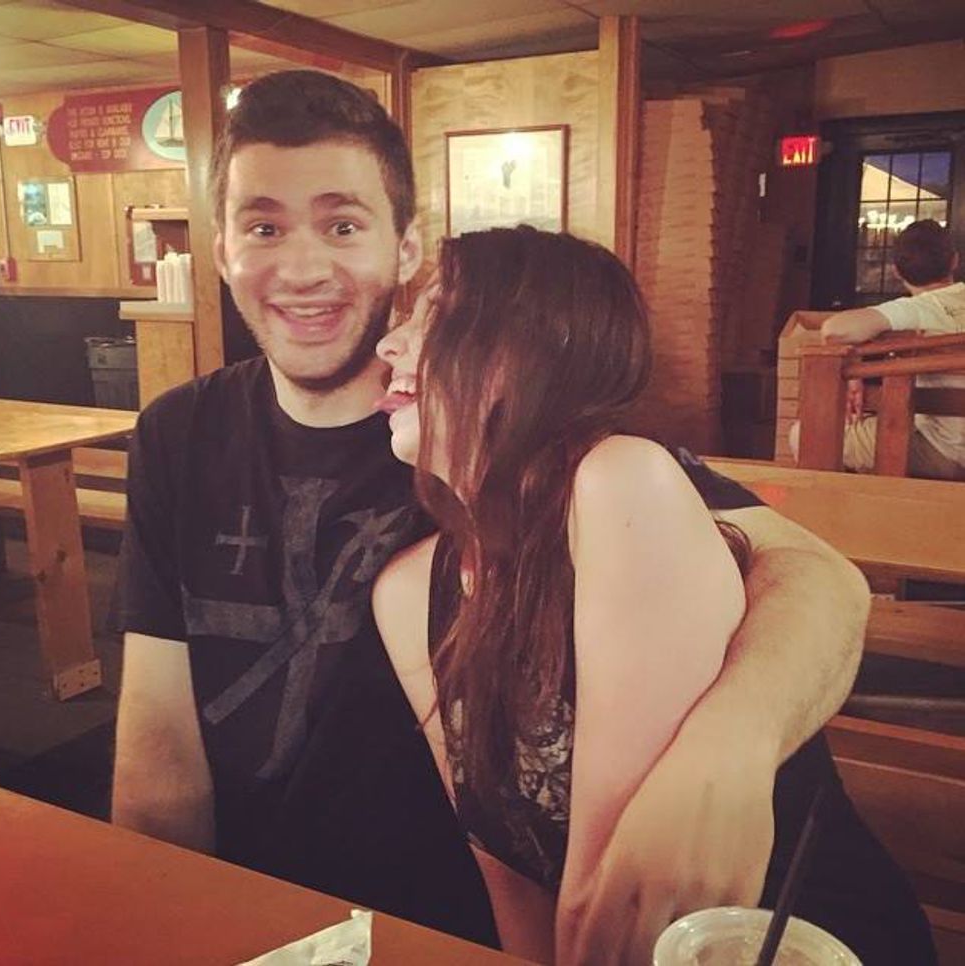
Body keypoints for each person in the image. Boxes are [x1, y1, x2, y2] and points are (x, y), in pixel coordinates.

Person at [114, 69, 871, 950]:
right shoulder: (185, 435)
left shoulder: (566, 465)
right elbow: (157, 750)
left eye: (343, 225)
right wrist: (154, 925)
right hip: (282, 913)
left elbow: (817, 577)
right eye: (264, 227)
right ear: (220, 252)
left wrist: (733, 741)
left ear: (404, 248)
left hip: (453, 922)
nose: (304, 267)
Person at [373, 225, 935, 965]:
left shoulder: (621, 485)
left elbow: (616, 899)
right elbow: (511, 880)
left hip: (794, 942)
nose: (389, 344)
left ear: (537, 348)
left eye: (437, 314)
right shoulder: (408, 592)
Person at [791, 219, 965, 480]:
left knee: (806, 434)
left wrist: (855, 367)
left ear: (896, 272)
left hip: (943, 452)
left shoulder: (916, 309)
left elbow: (835, 329)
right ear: (954, 261)